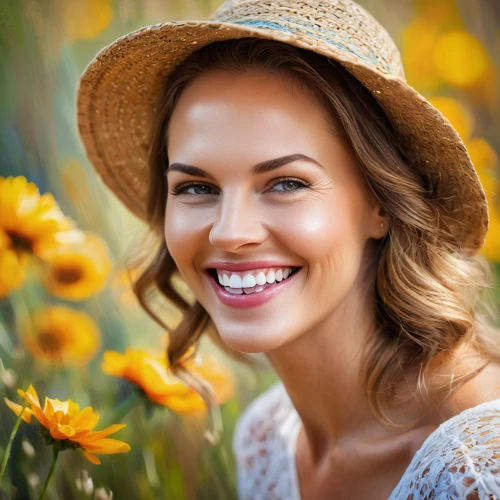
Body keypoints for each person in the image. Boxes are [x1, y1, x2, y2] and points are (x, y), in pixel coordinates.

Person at [77, 0, 500, 498]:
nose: (230, 233)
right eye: (196, 187)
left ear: (380, 204)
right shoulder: (265, 440)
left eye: (286, 183)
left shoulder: (478, 464)